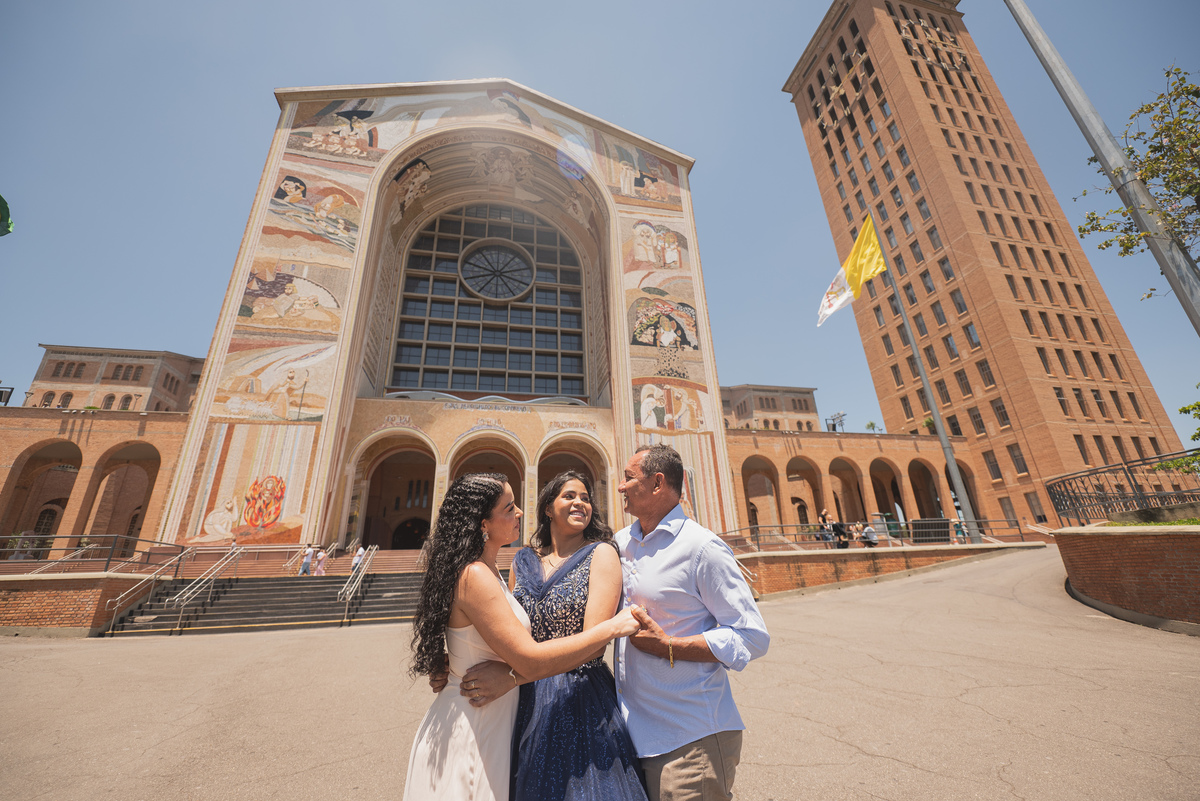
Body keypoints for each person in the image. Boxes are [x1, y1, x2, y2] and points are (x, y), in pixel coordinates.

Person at [403, 473, 641, 801]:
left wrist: (489, 669)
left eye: (585, 498)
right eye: (510, 507)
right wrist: (614, 627)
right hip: (498, 703)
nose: (518, 513)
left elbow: (501, 634)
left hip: (569, 695)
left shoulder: (595, 554)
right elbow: (513, 642)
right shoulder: (511, 564)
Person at [614, 444, 769, 801]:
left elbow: (752, 636)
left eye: (628, 478)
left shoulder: (702, 548)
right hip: (634, 735)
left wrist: (670, 647)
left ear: (657, 483)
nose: (620, 487)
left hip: (690, 740)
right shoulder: (621, 544)